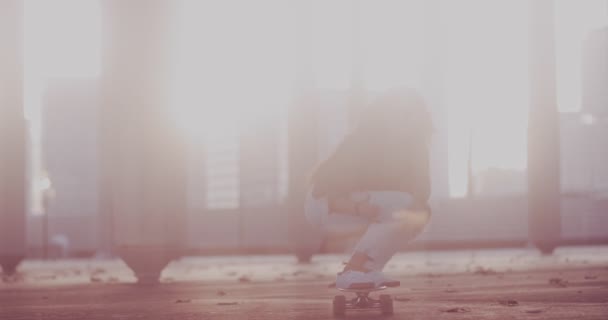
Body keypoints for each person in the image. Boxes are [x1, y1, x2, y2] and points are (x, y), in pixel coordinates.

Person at [304, 88, 433, 289]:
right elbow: (325, 188)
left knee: (417, 212)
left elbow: (421, 194)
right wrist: (356, 208)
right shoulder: (363, 141)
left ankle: (366, 270)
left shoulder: (413, 146)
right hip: (326, 206)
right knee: (405, 206)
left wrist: (418, 156)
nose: (407, 119)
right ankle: (355, 271)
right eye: (401, 113)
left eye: (412, 113)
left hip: (365, 205)